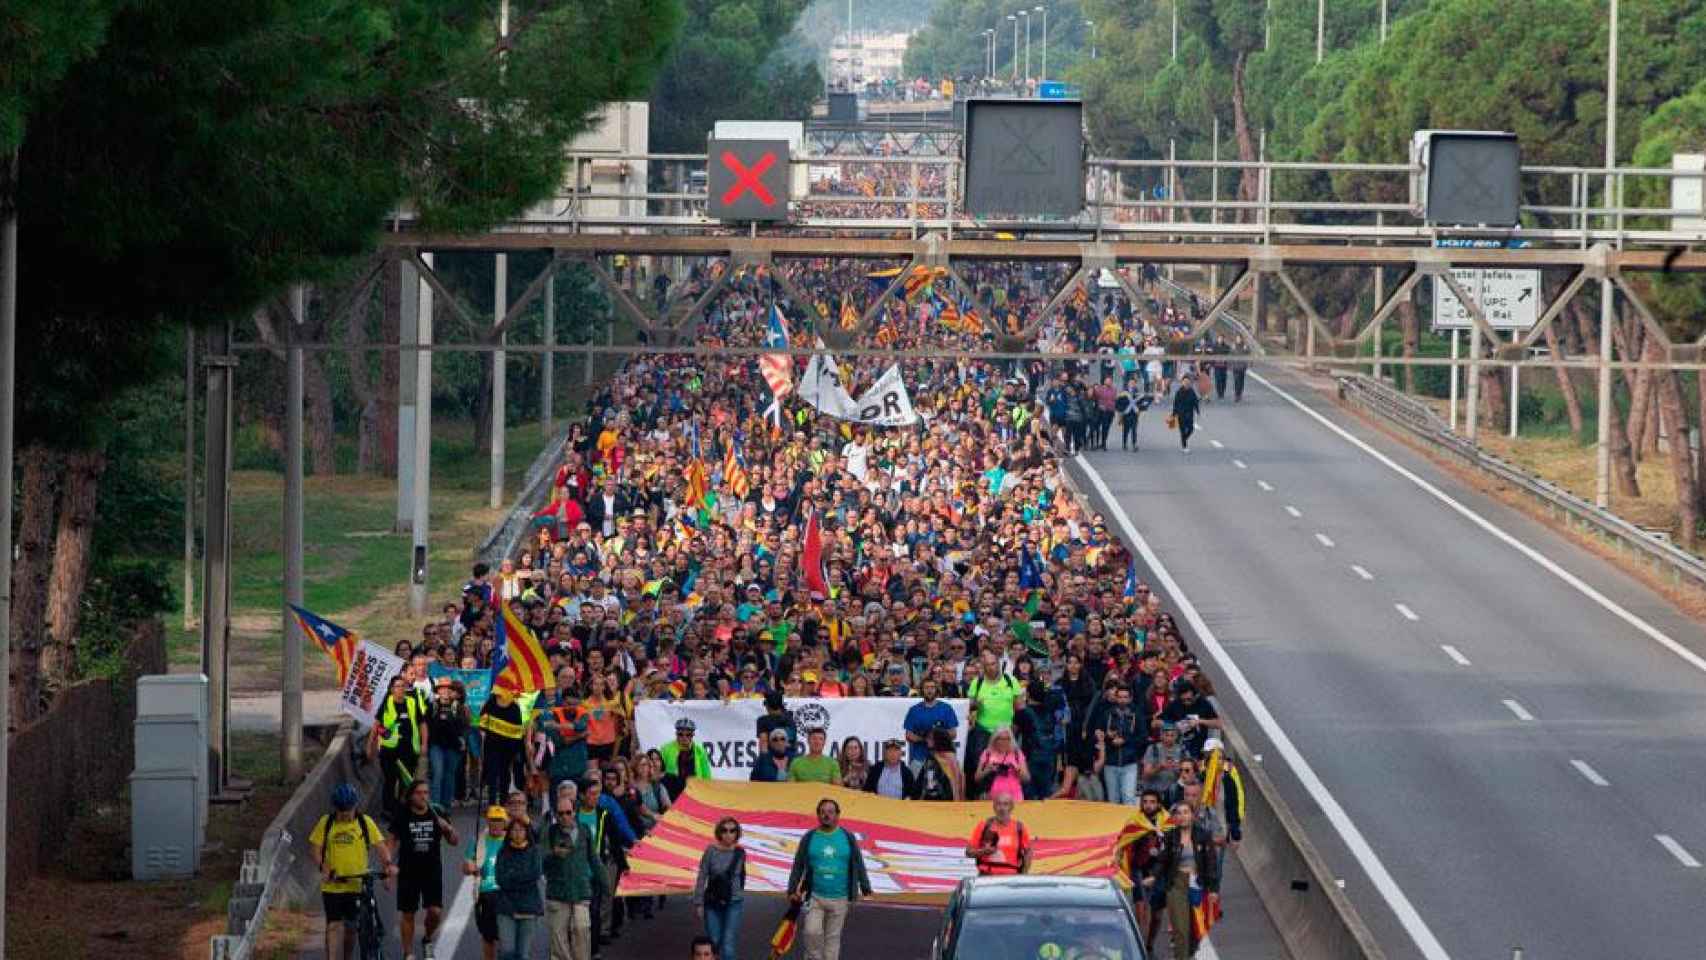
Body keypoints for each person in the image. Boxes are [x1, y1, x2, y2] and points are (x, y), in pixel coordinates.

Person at [309, 783, 395, 960]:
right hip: (333, 885)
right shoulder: (326, 823)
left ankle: (347, 957)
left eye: (348, 809)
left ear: (355, 806)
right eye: (341, 810)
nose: (345, 813)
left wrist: (387, 865)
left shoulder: (365, 823)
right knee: (333, 926)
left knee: (351, 928)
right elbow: (315, 849)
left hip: (356, 884)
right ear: (335, 808)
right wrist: (324, 867)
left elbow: (382, 847)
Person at [787, 798, 873, 960]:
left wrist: (865, 887)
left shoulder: (847, 837)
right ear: (818, 815)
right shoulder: (809, 837)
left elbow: (858, 862)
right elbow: (798, 864)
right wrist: (792, 889)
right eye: (822, 812)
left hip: (840, 898)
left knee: (832, 940)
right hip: (815, 897)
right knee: (811, 932)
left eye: (830, 812)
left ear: (838, 815)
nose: (826, 815)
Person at [388, 780, 461, 960]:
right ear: (411, 796)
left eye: (426, 792)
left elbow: (454, 842)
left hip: (432, 870)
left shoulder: (437, 812)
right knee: (408, 913)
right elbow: (391, 840)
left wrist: (449, 829)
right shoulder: (402, 814)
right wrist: (389, 865)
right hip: (408, 871)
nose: (423, 796)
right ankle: (408, 953)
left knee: (435, 912)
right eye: (419, 792)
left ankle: (427, 938)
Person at [1152, 801, 1220, 960]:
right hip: (1177, 884)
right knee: (1180, 930)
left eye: (1186, 812)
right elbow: (1163, 861)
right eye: (1179, 813)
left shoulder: (1203, 836)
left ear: (1193, 816)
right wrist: (1153, 876)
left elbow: (1211, 864)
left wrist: (1213, 889)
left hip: (1198, 884)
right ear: (1175, 817)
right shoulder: (1171, 836)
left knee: (1195, 931)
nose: (1182, 816)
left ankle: (1188, 953)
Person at [544, 792, 602, 960]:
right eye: (560, 813)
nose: (564, 817)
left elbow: (594, 860)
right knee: (558, 940)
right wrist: (553, 855)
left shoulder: (584, 831)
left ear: (574, 812)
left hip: (580, 891)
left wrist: (607, 887)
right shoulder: (549, 832)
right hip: (557, 893)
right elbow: (540, 860)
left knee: (582, 930)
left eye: (568, 812)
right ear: (555, 814)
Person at [370, 673, 430, 825]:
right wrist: (370, 745)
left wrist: (424, 744)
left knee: (407, 782)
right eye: (398, 686)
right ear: (391, 689)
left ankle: (404, 809)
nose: (401, 689)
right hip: (389, 751)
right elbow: (377, 725)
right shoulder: (386, 703)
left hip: (409, 750)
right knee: (390, 780)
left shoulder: (412, 702)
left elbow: (422, 724)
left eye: (403, 686)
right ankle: (388, 810)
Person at [965, 651, 1023, 799]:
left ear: (999, 664)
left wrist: (1015, 728)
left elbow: (1019, 707)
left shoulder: (1011, 681)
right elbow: (968, 706)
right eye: (987, 665)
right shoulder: (977, 683)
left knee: (1010, 764)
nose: (991, 667)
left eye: (993, 664)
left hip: (1006, 732)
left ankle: (1009, 794)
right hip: (983, 731)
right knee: (982, 764)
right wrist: (975, 704)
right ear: (983, 668)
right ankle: (983, 795)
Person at [694, 816, 748, 960]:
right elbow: (702, 876)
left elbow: (741, 876)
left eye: (732, 830)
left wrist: (737, 892)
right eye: (724, 830)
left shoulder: (740, 853)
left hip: (734, 902)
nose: (728, 834)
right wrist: (699, 903)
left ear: (737, 833)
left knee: (728, 945)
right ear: (719, 832)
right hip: (712, 902)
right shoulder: (710, 851)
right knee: (715, 942)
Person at [465, 805, 514, 960]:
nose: (495, 824)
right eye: (492, 819)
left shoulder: (511, 840)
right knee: (488, 937)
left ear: (505, 822)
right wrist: (470, 866)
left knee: (506, 939)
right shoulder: (478, 841)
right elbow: (466, 866)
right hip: (486, 895)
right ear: (487, 821)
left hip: (506, 894)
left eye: (499, 820)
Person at [495, 816, 546, 960]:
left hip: (528, 907)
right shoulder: (503, 852)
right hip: (506, 907)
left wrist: (513, 876)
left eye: (521, 830)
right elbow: (500, 878)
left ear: (526, 832)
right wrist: (521, 877)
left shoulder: (534, 852)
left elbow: (534, 874)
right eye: (514, 830)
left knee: (523, 954)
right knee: (506, 950)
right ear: (509, 832)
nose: (517, 833)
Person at [427, 675, 470, 810]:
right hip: (436, 745)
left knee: (449, 775)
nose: (445, 691)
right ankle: (435, 806)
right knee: (437, 773)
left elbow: (465, 727)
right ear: (438, 691)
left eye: (448, 688)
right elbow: (425, 725)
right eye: (442, 688)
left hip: (454, 747)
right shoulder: (432, 706)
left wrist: (462, 740)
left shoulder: (460, 707)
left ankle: (445, 807)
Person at [964, 794, 1032, 876]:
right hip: (987, 876)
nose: (1002, 808)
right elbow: (968, 852)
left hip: (1010, 878)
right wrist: (983, 852)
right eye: (998, 804)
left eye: (1005, 804)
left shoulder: (1019, 827)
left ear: (1011, 807)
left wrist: (1024, 873)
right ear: (994, 807)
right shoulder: (984, 826)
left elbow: (1028, 851)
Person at [902, 677, 956, 772]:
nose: (929, 690)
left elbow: (953, 733)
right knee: (911, 784)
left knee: (946, 784)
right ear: (922, 690)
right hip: (919, 757)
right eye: (926, 687)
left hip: (943, 757)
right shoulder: (914, 710)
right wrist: (924, 739)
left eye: (932, 687)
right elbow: (908, 735)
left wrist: (936, 738)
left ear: (936, 689)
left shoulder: (946, 708)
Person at [974, 726, 1029, 803]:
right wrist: (987, 769)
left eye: (1007, 739)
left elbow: (1026, 778)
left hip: (1014, 797)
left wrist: (1017, 769)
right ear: (995, 740)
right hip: (990, 797)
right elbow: (977, 778)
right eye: (1001, 739)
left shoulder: (1017, 754)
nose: (1004, 742)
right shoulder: (987, 753)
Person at [659, 718, 712, 794]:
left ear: (693, 735)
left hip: (695, 792)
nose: (684, 737)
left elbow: (706, 775)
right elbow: (659, 772)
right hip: (673, 792)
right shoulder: (666, 749)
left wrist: (707, 791)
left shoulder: (700, 750)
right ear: (676, 734)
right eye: (680, 734)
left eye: (688, 735)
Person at [1172, 375, 1200, 452]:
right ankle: (1184, 446)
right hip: (1181, 414)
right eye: (1185, 382)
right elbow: (1175, 403)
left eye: (1188, 382)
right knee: (1182, 430)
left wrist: (1197, 411)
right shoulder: (1179, 392)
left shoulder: (1192, 391)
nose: (1187, 383)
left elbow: (1195, 401)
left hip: (1189, 413)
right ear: (1182, 382)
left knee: (1191, 429)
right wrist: (1174, 414)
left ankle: (1184, 438)